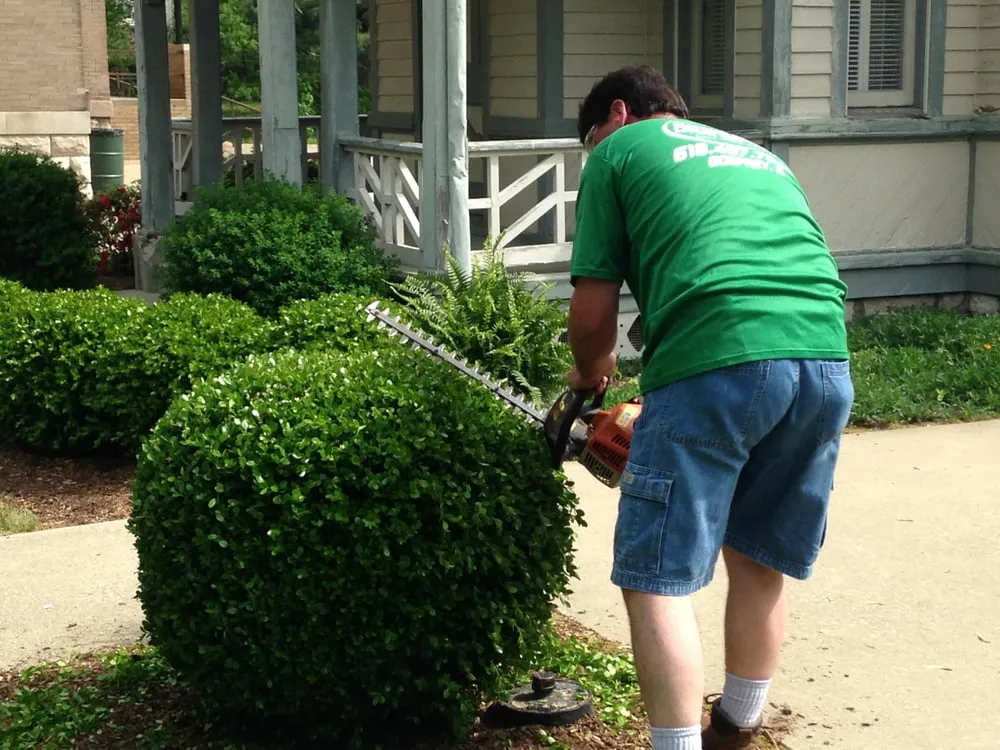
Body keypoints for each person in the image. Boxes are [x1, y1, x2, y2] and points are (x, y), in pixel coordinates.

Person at [565, 65, 855, 750]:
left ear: (617, 114)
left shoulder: (618, 152)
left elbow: (594, 306)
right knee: (757, 556)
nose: (593, 153)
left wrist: (589, 379)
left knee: (656, 577)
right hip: (824, 358)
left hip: (719, 354)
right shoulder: (757, 155)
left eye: (591, 139)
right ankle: (737, 727)